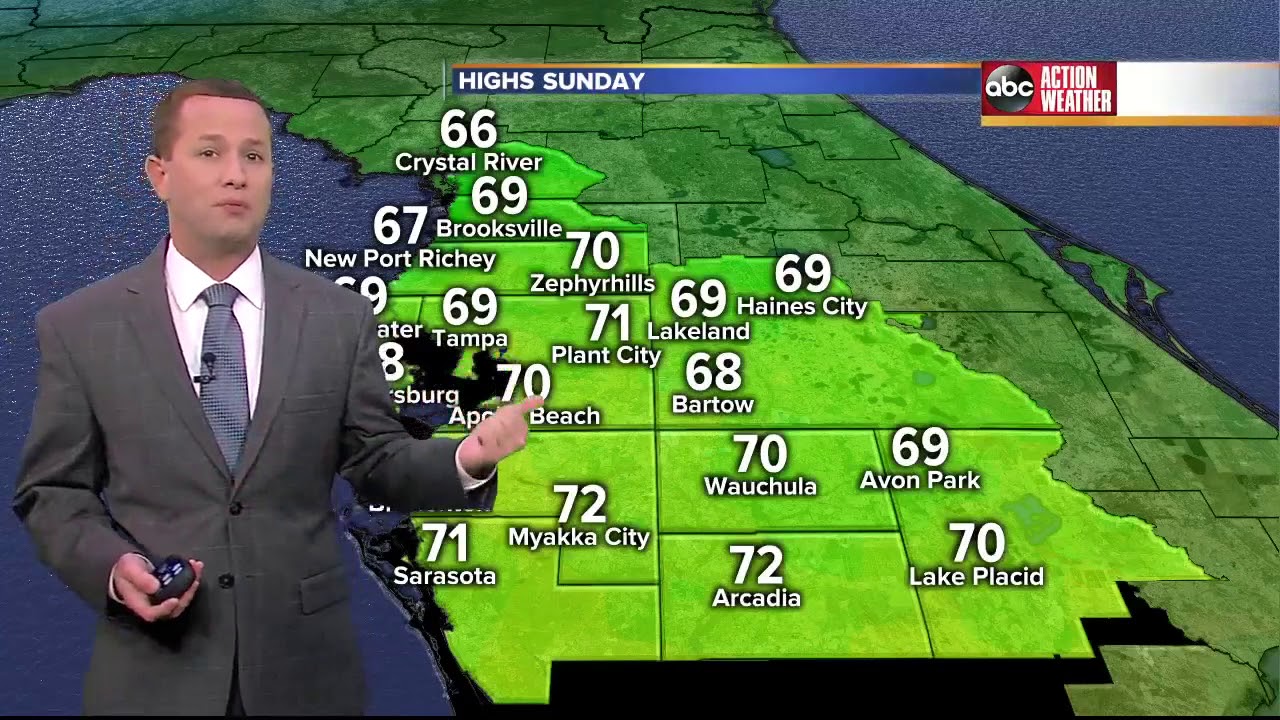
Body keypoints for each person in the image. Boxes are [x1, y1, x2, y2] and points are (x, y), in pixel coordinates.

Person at [11, 77, 540, 716]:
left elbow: (375, 460)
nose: (236, 174)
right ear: (160, 175)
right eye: (210, 153)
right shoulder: (81, 327)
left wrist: (466, 458)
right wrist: (114, 569)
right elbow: (52, 492)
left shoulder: (338, 317)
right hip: (152, 681)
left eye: (255, 156)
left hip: (306, 678)